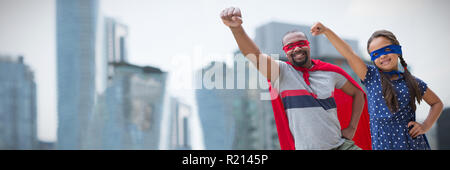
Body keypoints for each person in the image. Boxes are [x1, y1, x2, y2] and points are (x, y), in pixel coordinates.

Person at [220, 7, 372, 150]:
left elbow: (358, 93)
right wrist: (236, 28)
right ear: (285, 52)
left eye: (300, 43)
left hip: (341, 146)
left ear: (308, 46)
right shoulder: (281, 72)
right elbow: (256, 56)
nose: (296, 48)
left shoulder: (330, 72)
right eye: (290, 46)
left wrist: (352, 127)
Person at [310, 22, 444, 150]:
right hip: (383, 144)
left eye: (386, 50)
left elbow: (437, 103)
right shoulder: (370, 76)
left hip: (414, 144)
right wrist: (326, 31)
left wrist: (425, 126)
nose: (383, 56)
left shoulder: (413, 81)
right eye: (376, 54)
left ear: (397, 50)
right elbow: (349, 54)